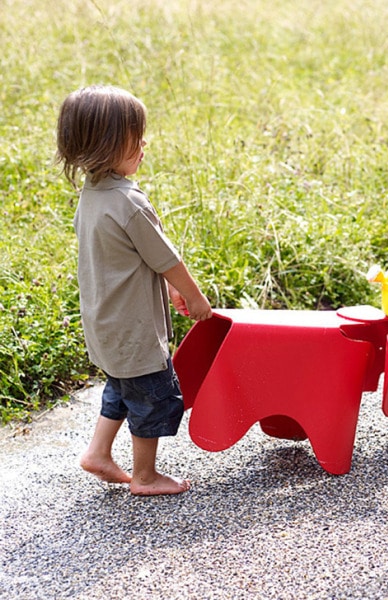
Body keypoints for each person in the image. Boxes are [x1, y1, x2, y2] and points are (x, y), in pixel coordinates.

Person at [55, 85, 213, 496]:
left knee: (123, 387)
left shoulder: (91, 195)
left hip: (105, 323)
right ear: (106, 145)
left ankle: (98, 453)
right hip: (135, 328)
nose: (144, 143)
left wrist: (167, 288)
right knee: (154, 398)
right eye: (134, 136)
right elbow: (166, 258)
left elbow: (129, 257)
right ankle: (145, 477)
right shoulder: (130, 202)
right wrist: (193, 297)